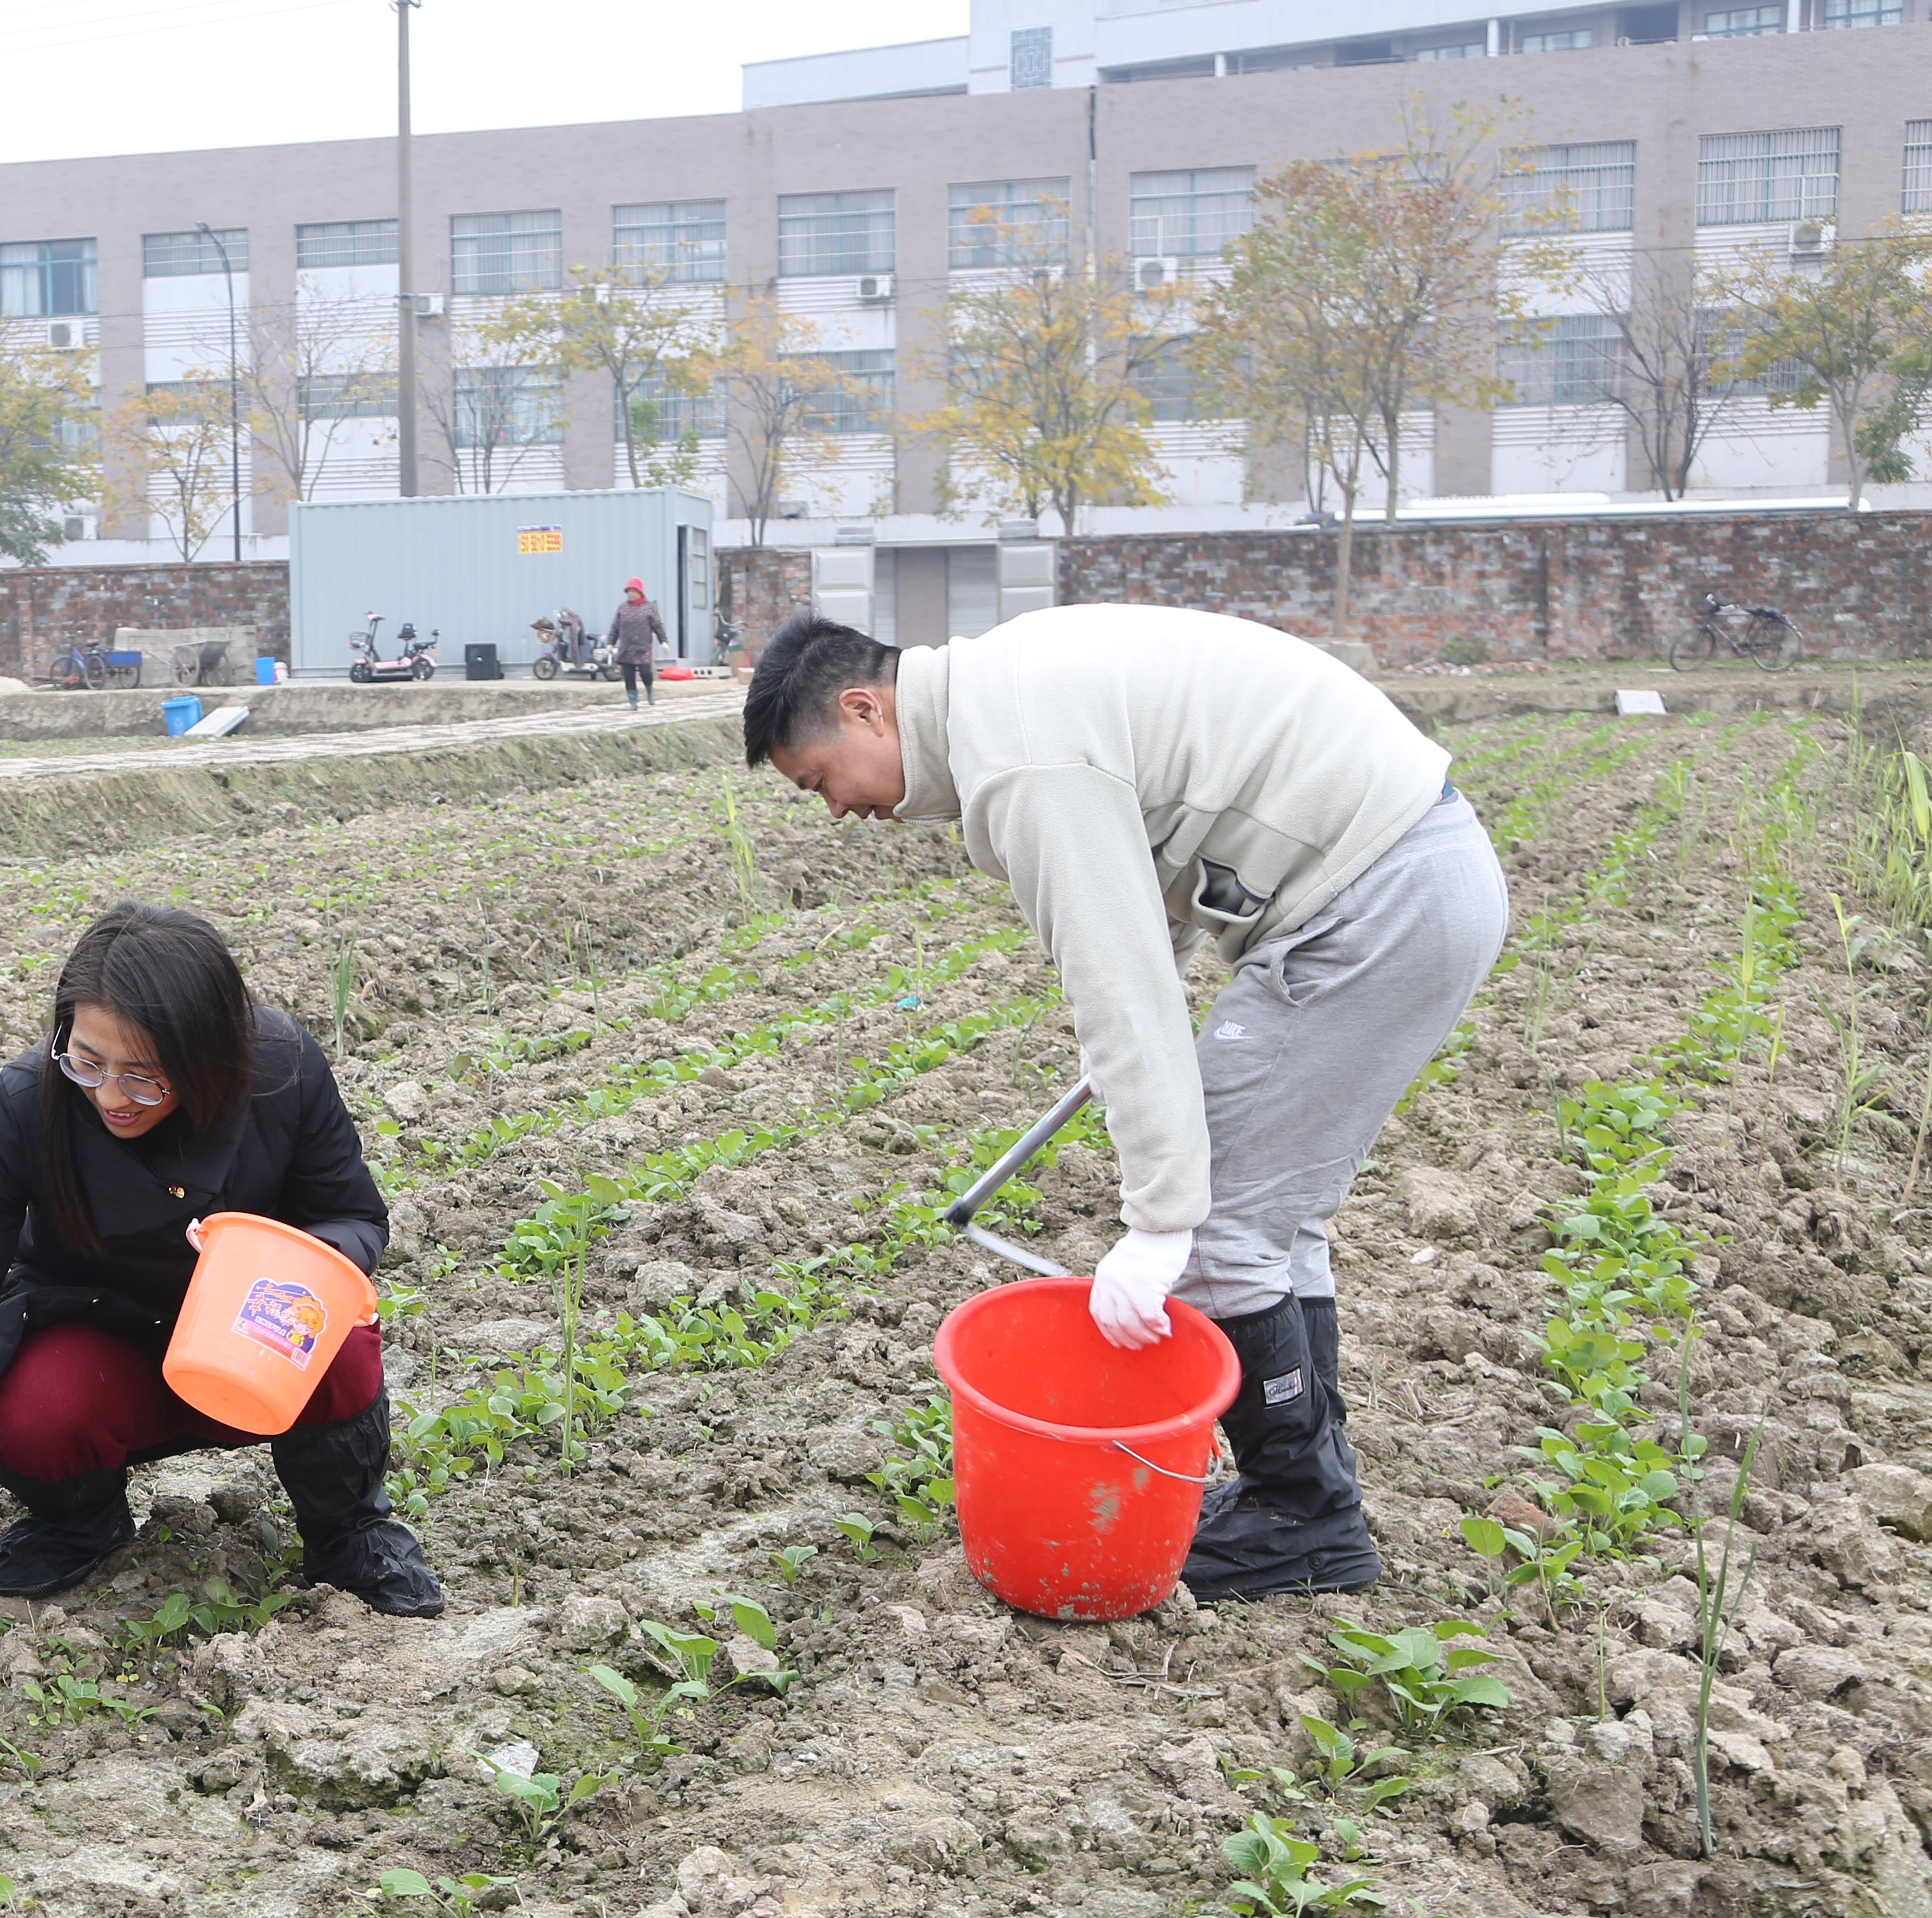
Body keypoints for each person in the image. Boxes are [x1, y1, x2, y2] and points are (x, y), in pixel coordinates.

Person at [742, 607, 1505, 1601]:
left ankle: (1304, 1520)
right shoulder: (1006, 687)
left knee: (1223, 1223)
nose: (837, 810)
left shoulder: (1017, 758)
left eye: (819, 781)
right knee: (1268, 1217)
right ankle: (1302, 1498)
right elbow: (1154, 905)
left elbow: (1122, 985)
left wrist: (1158, 1224)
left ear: (865, 709)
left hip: (1374, 903)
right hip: (1405, 875)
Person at [0, 903, 440, 1615]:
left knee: (338, 1342)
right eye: (87, 1061)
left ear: (208, 1058)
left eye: (145, 1076)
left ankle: (347, 1530)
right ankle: (80, 1520)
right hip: (104, 1335)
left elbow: (353, 1216)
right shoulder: (28, 1103)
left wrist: (272, 1260)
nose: (109, 1096)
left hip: (253, 1340)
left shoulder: (281, 1068)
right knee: (37, 1412)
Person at [608, 579, 662, 709]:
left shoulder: (649, 607)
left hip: (643, 648)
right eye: (629, 592)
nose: (631, 594)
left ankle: (649, 691)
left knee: (645, 673)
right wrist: (611, 643)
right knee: (628, 675)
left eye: (634, 591)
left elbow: (658, 626)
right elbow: (615, 627)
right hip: (626, 648)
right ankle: (633, 701)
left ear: (640, 592)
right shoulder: (623, 608)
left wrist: (664, 641)